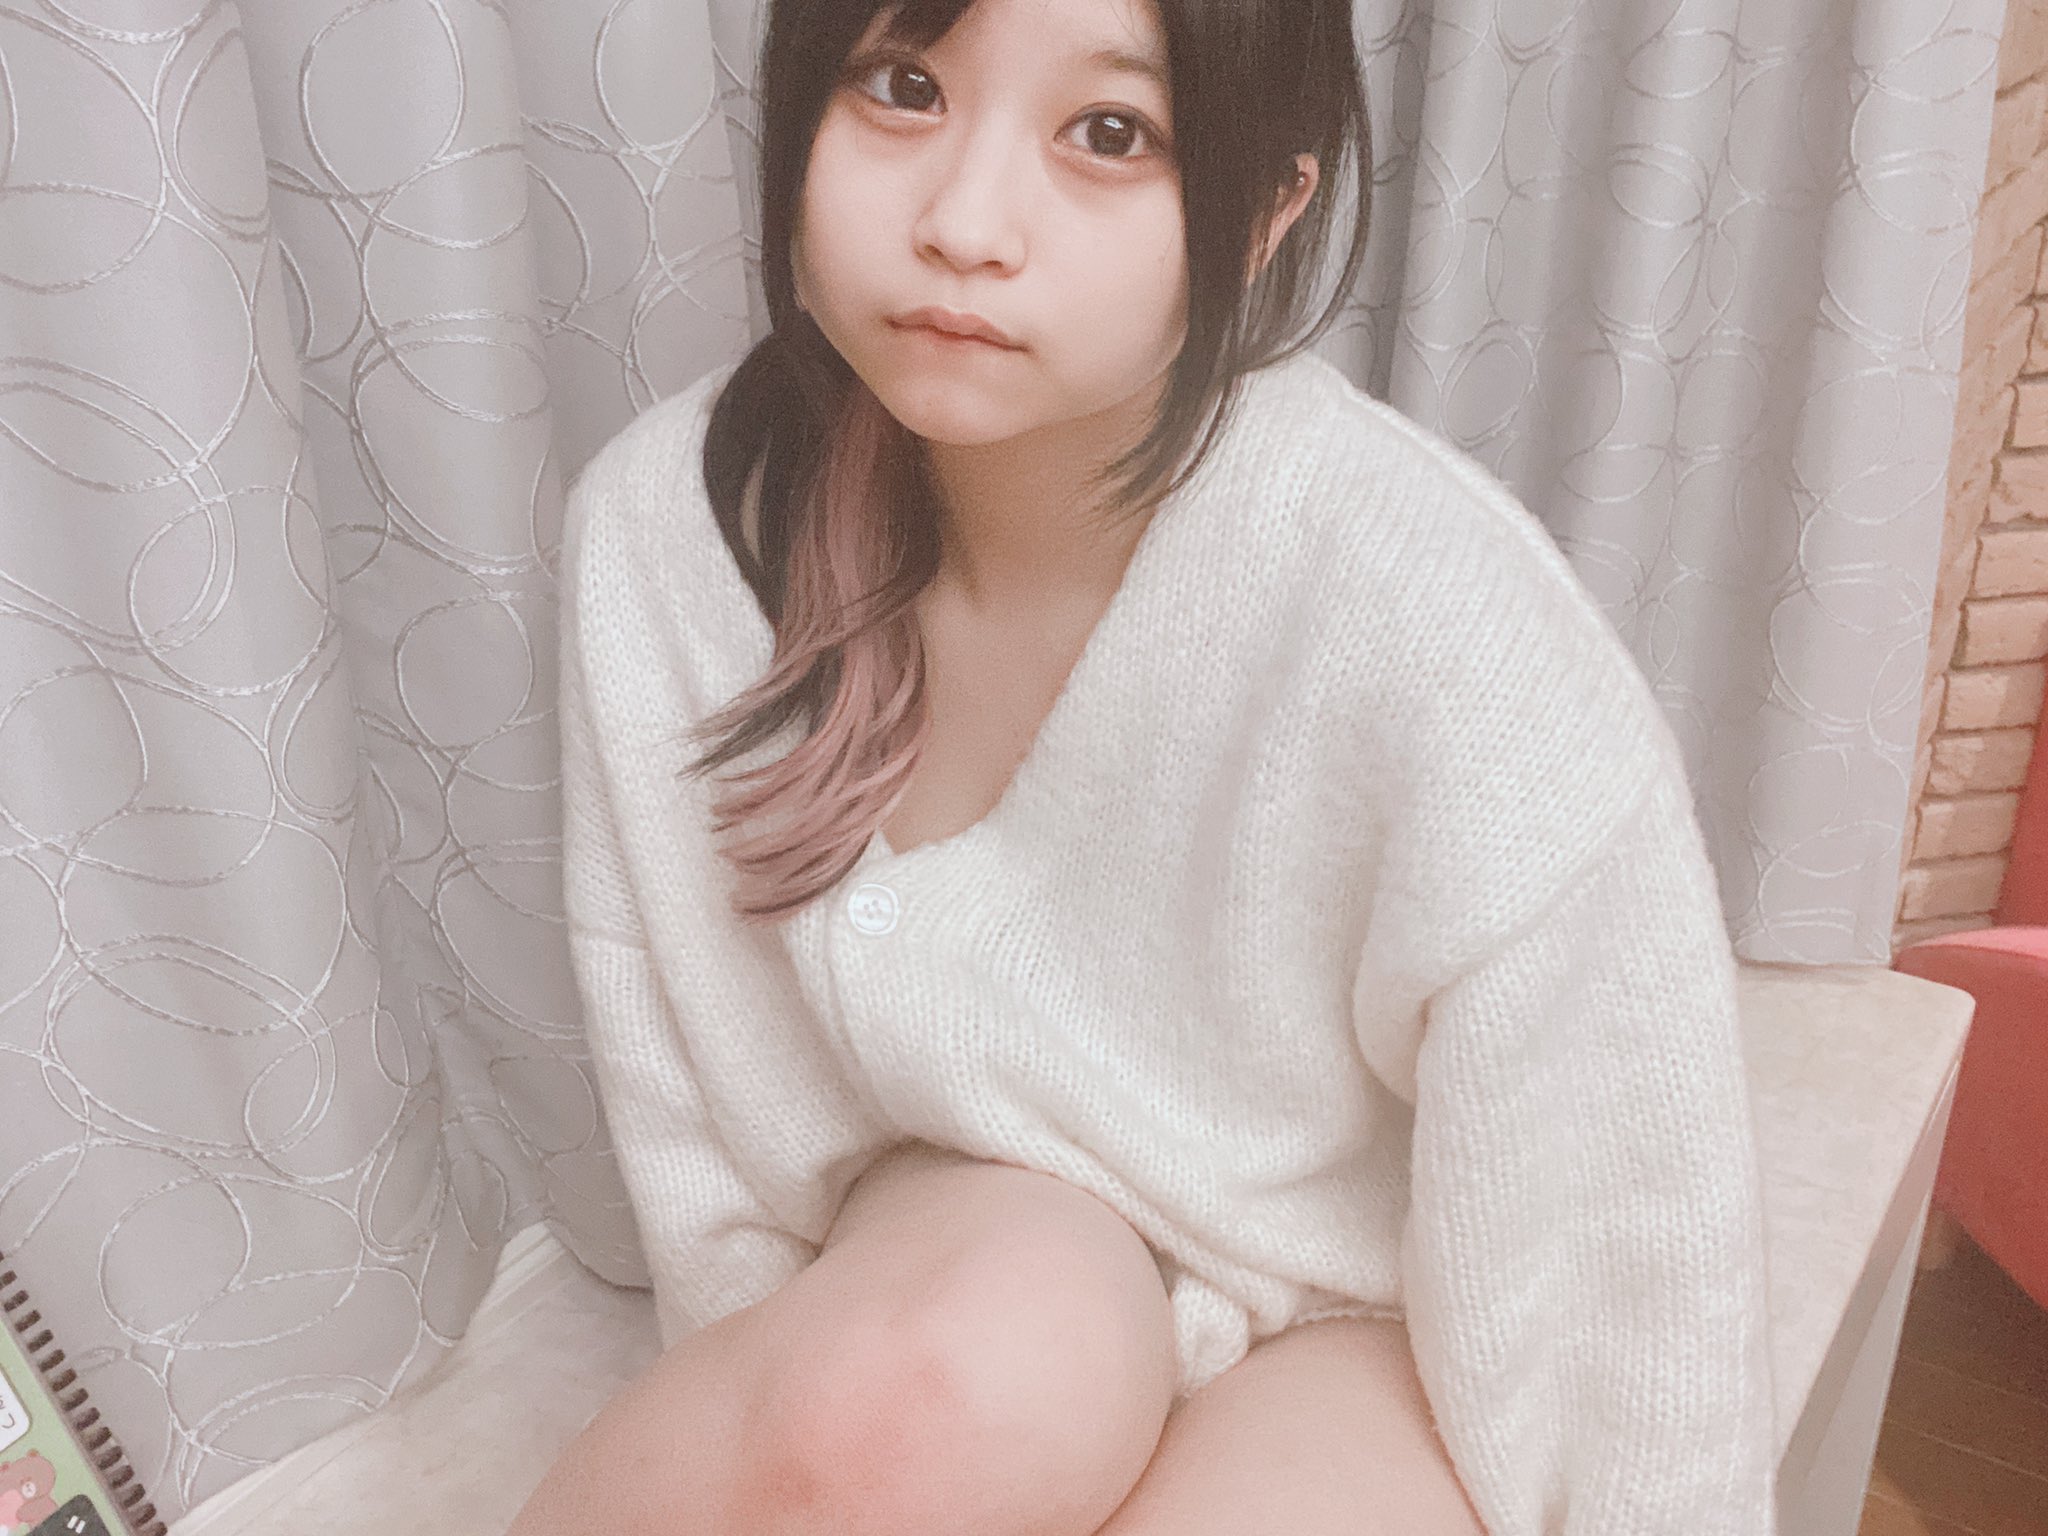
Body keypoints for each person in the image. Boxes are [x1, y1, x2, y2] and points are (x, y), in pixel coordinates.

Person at [516, 0, 1780, 1531]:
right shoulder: (667, 534)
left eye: (1110, 133)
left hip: (1346, 1305)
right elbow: (700, 1128)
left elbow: (1627, 1258)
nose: (966, 223)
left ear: (1262, 213)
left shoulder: (1439, 620)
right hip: (964, 1238)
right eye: (904, 86)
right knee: (943, 1385)